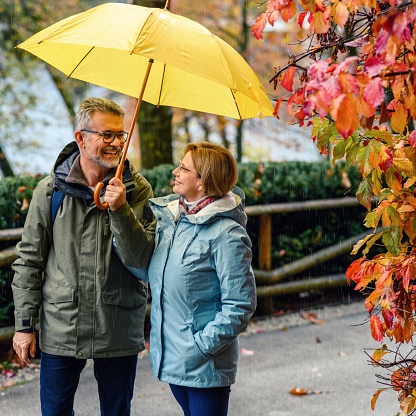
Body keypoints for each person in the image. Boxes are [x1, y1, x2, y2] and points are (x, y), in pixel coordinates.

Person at [11, 97, 156, 416]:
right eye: (107, 135)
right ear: (81, 138)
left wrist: (121, 210)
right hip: (62, 326)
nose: (117, 142)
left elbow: (141, 258)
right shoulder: (50, 192)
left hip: (117, 324)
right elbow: (29, 261)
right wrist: (24, 325)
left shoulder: (138, 190)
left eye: (121, 135)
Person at [125, 142, 257, 416]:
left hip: (203, 363)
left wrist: (200, 347)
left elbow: (240, 305)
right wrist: (118, 215)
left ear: (203, 181)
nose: (176, 171)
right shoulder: (174, 221)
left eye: (184, 168)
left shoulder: (227, 234)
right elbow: (149, 272)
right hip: (175, 360)